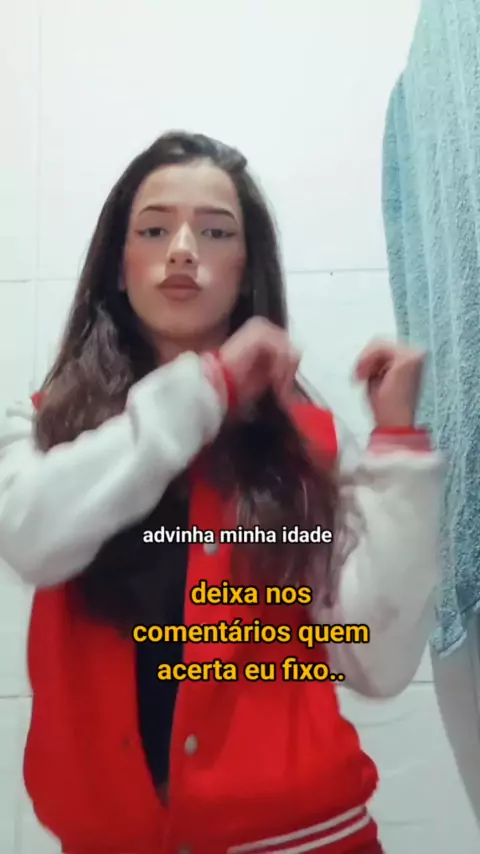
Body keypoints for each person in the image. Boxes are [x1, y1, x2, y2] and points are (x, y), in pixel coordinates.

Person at [0, 131, 442, 854]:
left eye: (215, 231)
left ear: (246, 270)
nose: (182, 249)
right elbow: (30, 536)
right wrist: (212, 386)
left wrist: (396, 448)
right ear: (119, 268)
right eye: (153, 230)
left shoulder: (309, 447)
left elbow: (378, 662)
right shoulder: (42, 429)